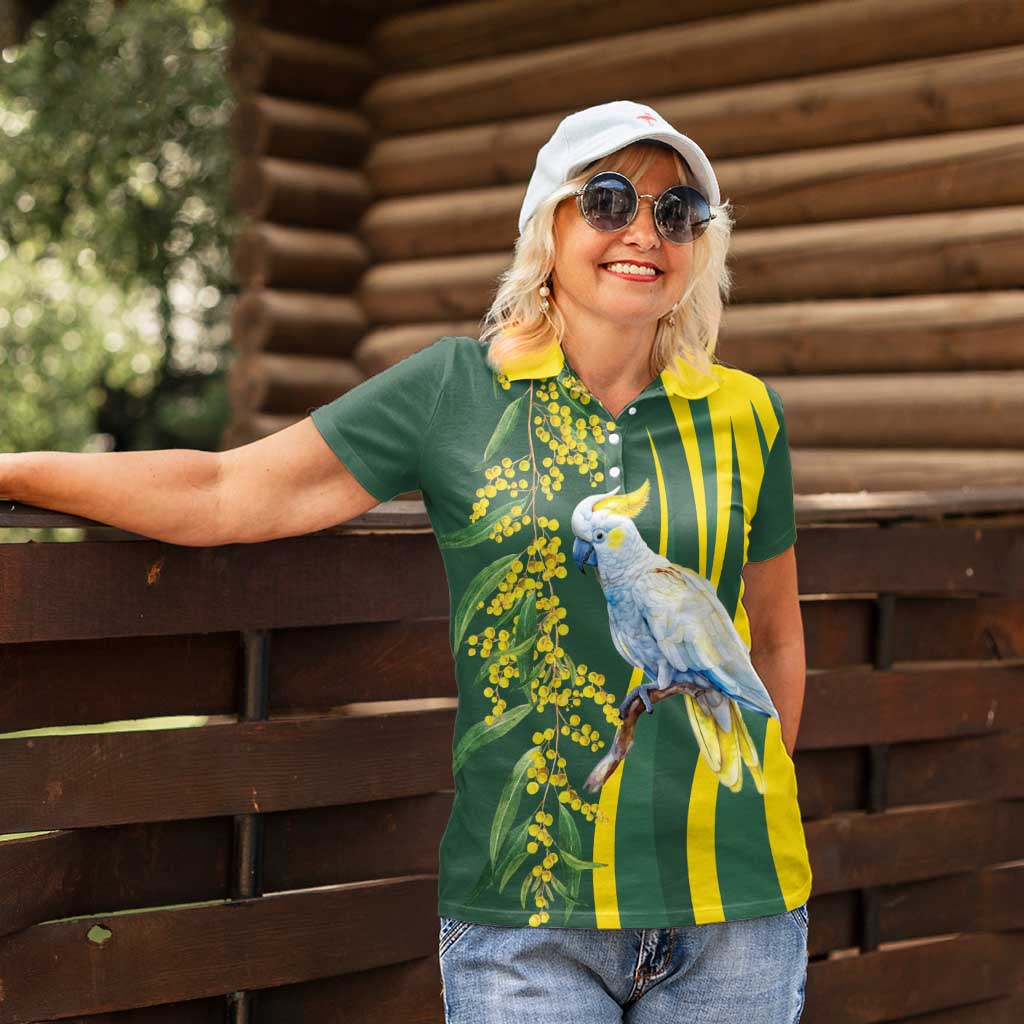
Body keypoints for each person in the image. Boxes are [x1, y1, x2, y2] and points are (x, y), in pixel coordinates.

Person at [0, 99, 810, 1022]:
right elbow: (224, 492)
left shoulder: (746, 413)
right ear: (549, 223)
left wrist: (743, 806)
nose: (643, 234)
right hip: (524, 923)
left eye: (677, 214)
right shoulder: (454, 391)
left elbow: (777, 639)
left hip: (740, 917)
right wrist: (17, 470)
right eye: (611, 201)